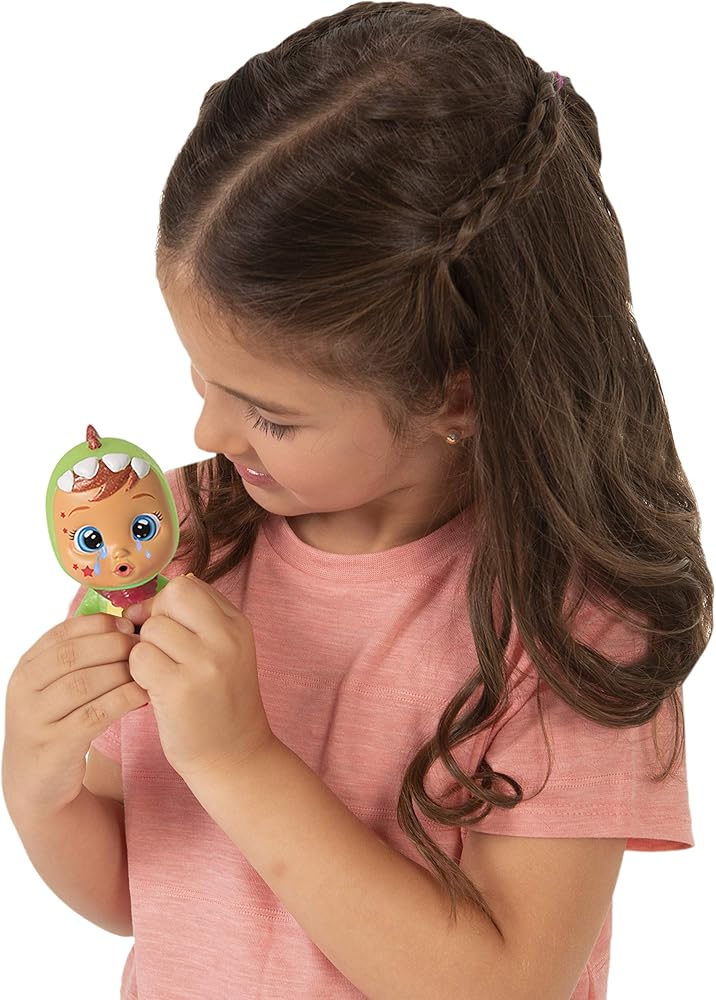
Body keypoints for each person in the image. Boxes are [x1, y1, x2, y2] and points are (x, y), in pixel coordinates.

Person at [3, 3, 711, 998]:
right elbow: (136, 889)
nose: (206, 434)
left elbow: (505, 984)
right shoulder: (180, 538)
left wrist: (241, 761)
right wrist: (39, 785)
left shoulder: (573, 622)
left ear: (455, 394)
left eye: (269, 414)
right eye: (202, 380)